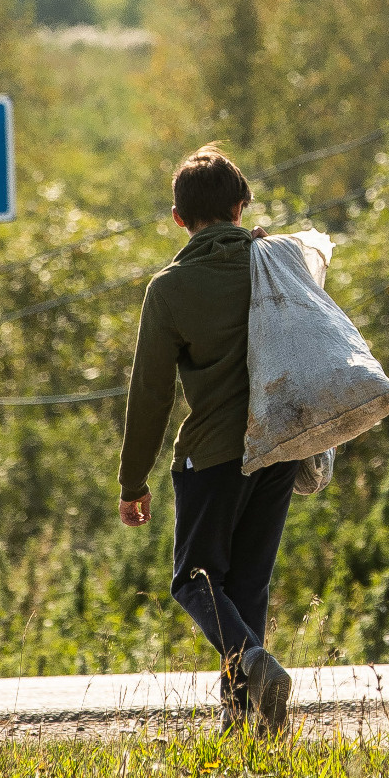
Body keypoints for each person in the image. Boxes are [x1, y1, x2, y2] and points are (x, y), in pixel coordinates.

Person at [117, 143, 300, 736]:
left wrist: (132, 481)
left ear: (178, 218)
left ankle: (250, 667)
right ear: (241, 207)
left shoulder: (169, 290)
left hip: (212, 458)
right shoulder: (274, 261)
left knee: (194, 580)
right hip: (277, 448)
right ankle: (243, 718)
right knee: (246, 587)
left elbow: (151, 395)